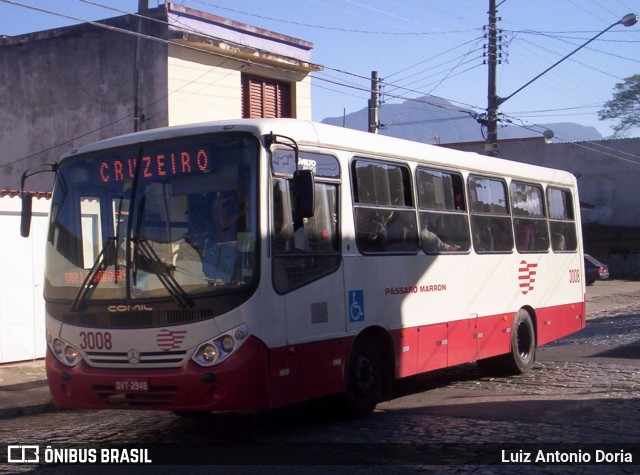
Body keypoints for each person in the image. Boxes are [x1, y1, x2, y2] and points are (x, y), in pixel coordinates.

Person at [202, 192, 245, 284]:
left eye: (229, 209)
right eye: (219, 210)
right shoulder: (206, 240)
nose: (224, 214)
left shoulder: (246, 236)